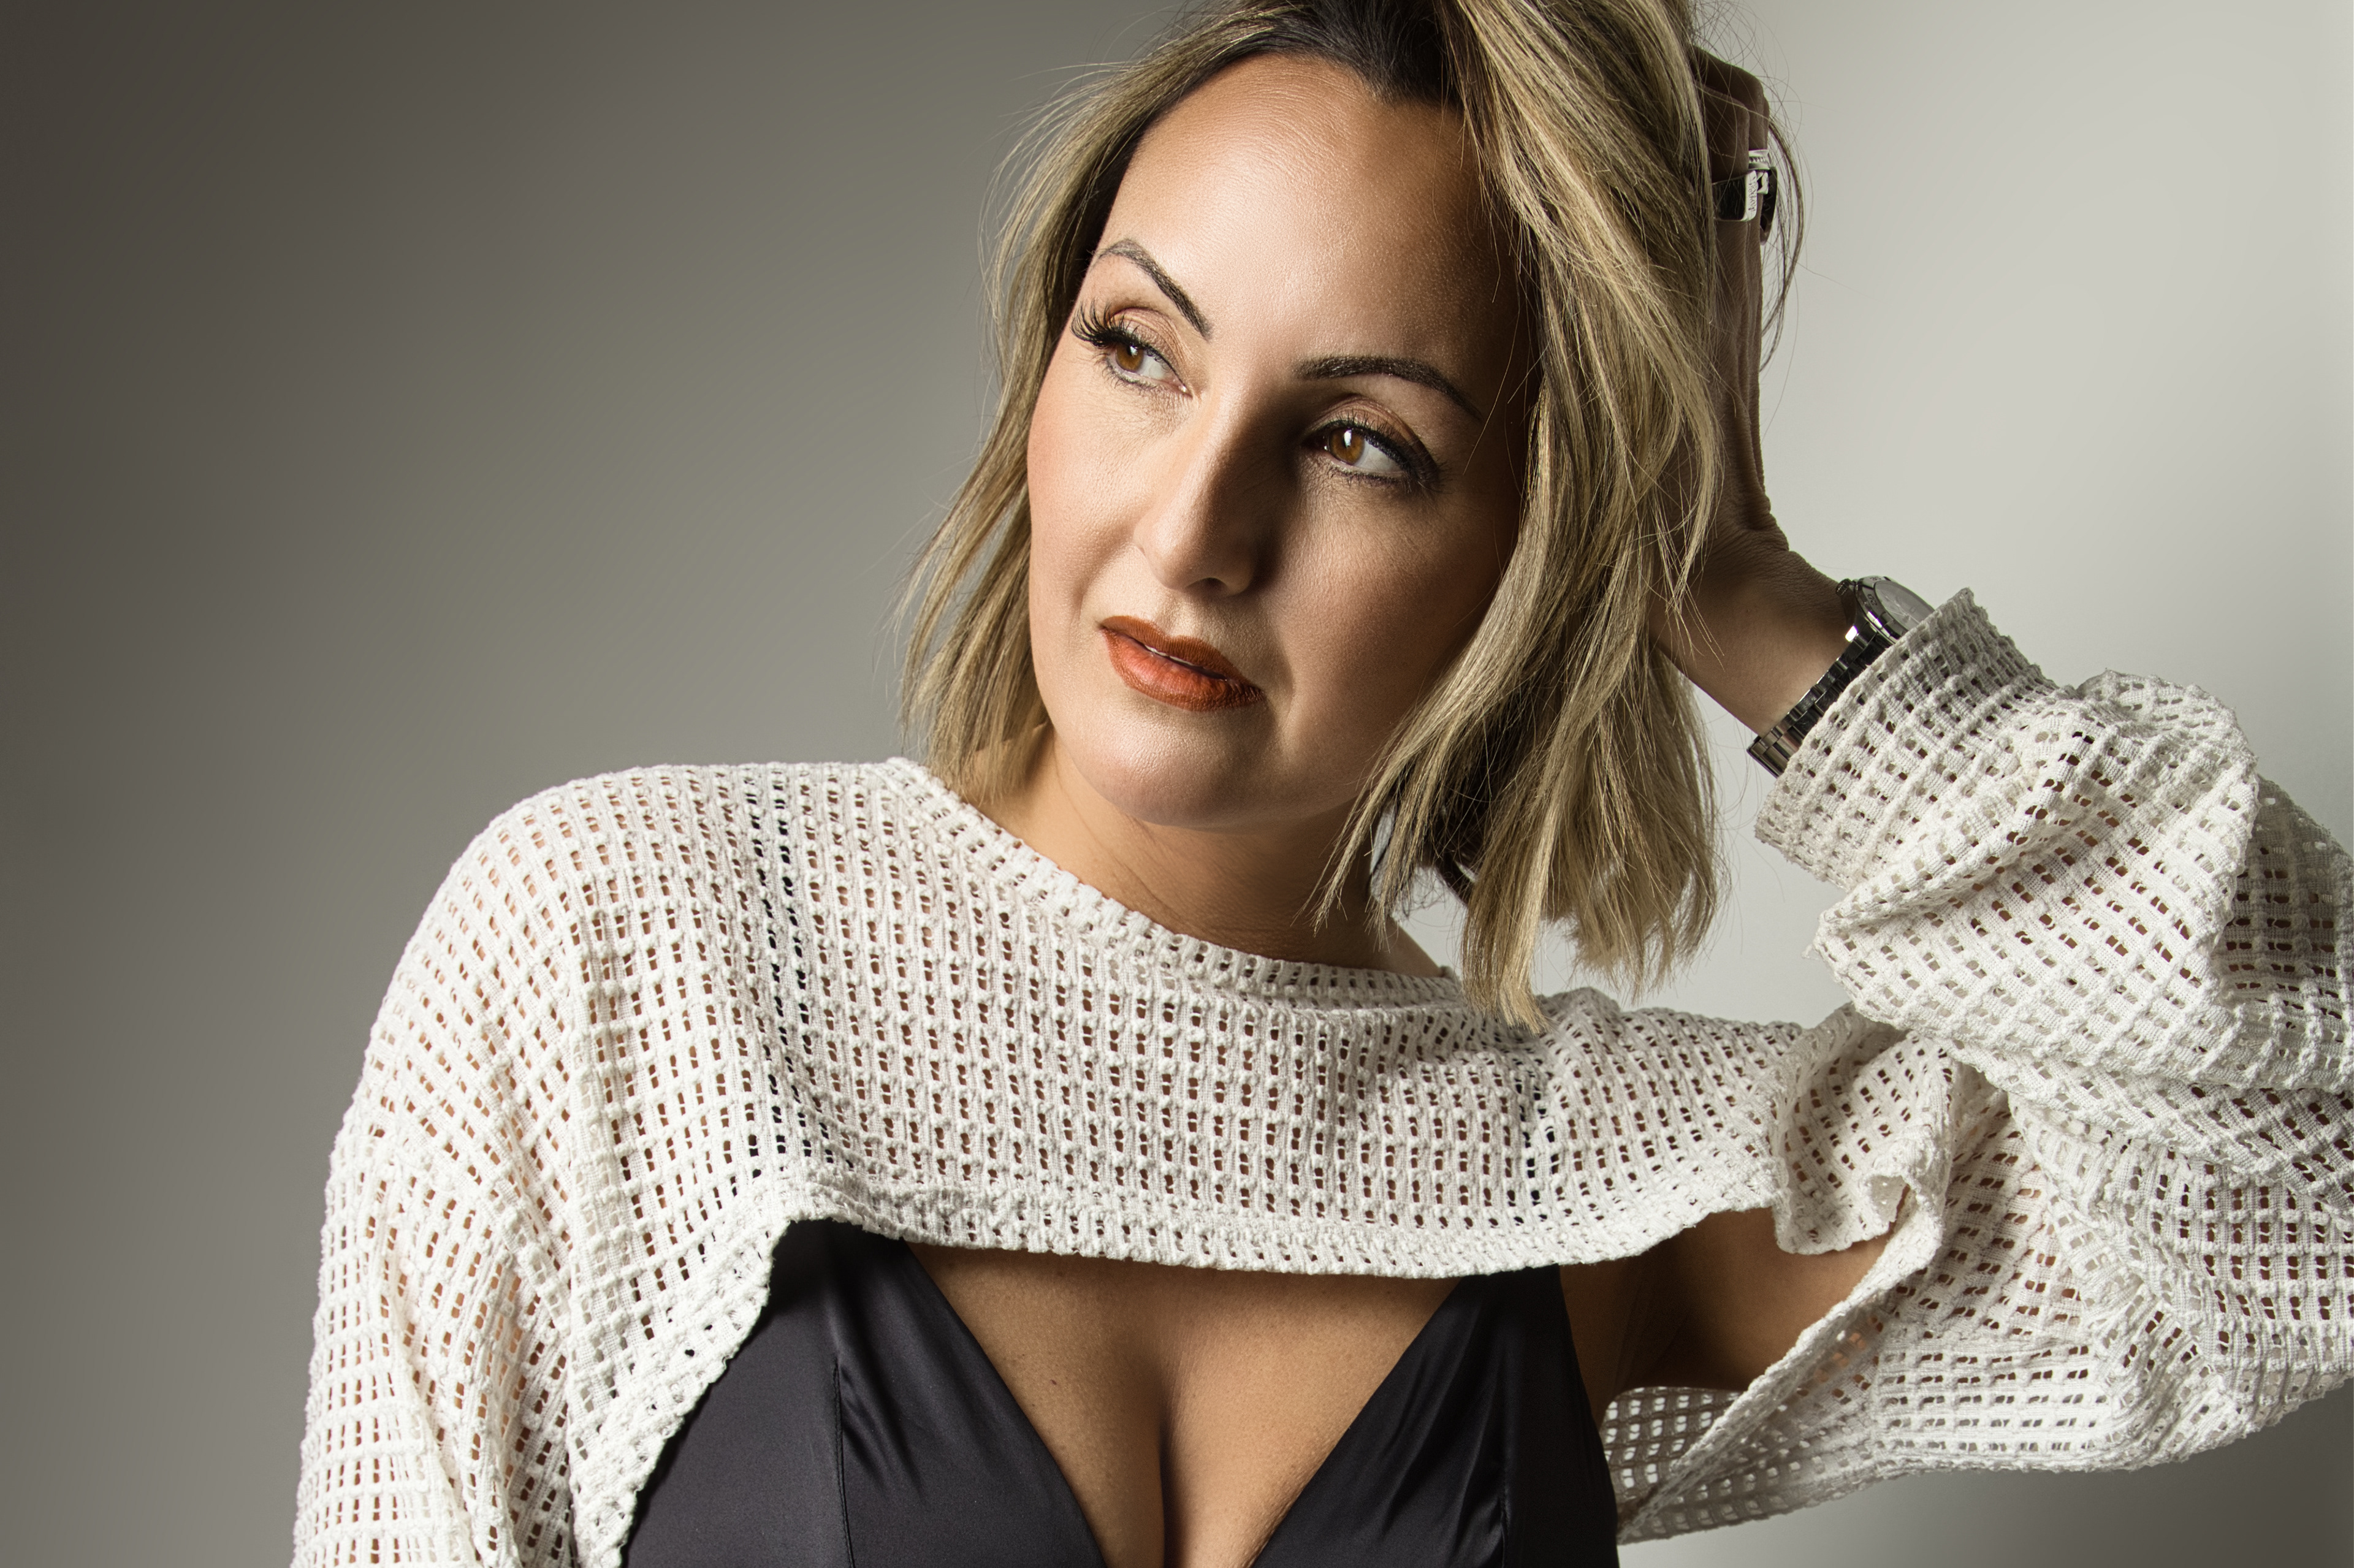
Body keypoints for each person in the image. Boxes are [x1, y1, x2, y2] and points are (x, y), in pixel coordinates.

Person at [290, 1, 2352, 1565]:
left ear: (1536, 540)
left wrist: (1735, 579)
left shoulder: (1581, 1169)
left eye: (1366, 441)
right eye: (1140, 349)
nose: (1196, 530)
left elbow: (2304, 1196)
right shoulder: (639, 951)